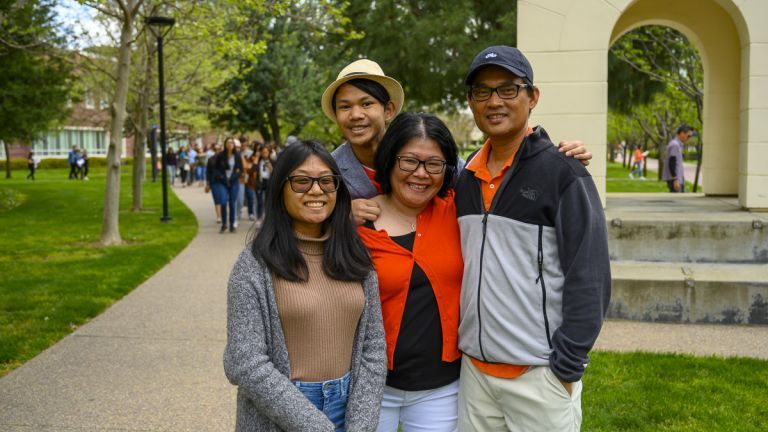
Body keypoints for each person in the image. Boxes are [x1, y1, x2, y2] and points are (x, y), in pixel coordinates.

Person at [455, 45, 611, 431]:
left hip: (539, 375)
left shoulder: (564, 173)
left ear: (532, 96)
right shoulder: (465, 179)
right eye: (482, 91)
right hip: (474, 374)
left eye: (508, 89)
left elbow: (590, 276)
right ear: (471, 102)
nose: (494, 101)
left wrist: (566, 367)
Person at [223, 140, 386, 431]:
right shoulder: (254, 265)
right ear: (280, 189)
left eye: (326, 181)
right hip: (280, 412)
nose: (316, 190)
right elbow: (244, 361)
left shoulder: (355, 257)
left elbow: (373, 349)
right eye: (301, 181)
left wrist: (360, 424)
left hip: (348, 407)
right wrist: (316, 426)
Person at [320, 59, 592, 222]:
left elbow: (478, 179)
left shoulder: (422, 151)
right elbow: (299, 218)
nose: (356, 115)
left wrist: (551, 158)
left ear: (388, 110)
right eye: (345, 107)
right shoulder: (328, 170)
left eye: (366, 104)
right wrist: (338, 214)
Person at [357, 113, 462, 431]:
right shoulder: (357, 222)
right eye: (409, 161)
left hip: (440, 389)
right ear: (390, 160)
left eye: (434, 164)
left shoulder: (458, 210)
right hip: (372, 387)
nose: (421, 174)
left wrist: (560, 158)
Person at [209, 137, 243, 233]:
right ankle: (224, 224)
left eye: (232, 143)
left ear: (234, 145)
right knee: (223, 202)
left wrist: (234, 175)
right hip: (223, 182)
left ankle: (232, 224)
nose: (230, 144)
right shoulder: (220, 155)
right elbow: (215, 169)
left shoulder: (237, 156)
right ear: (225, 144)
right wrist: (221, 177)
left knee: (232, 203)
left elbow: (240, 169)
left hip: (234, 182)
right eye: (228, 142)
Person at [662, 125, 693, 193]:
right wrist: (675, 179)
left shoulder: (677, 145)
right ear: (682, 133)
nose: (689, 138)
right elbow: (672, 162)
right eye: (688, 136)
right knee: (677, 202)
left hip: (678, 178)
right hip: (675, 180)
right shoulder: (675, 145)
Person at [205, 143, 223, 223]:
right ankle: (218, 216)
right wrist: (208, 183)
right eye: (215, 149)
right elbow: (208, 172)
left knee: (223, 199)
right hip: (214, 181)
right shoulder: (211, 159)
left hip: (223, 182)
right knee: (217, 198)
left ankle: (223, 214)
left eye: (219, 149)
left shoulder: (225, 159)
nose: (217, 151)